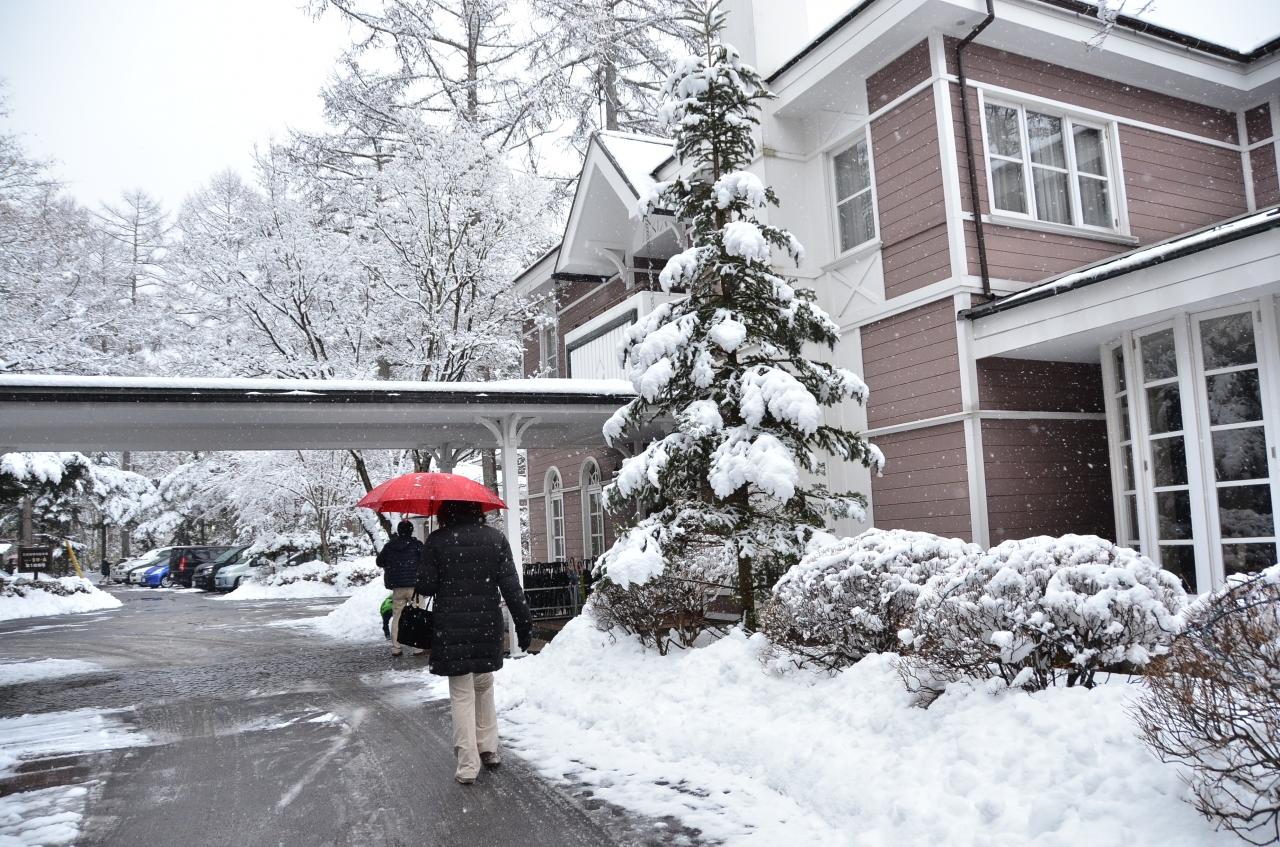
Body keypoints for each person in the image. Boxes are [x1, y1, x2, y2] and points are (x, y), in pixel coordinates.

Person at [417, 500, 532, 785]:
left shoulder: (437, 541)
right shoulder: (495, 539)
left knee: (462, 695)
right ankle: (488, 748)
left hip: (451, 629)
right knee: (483, 686)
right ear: (477, 510)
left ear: (445, 512)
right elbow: (511, 586)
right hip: (485, 625)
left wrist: (429, 560)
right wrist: (523, 623)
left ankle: (468, 766)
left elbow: (427, 586)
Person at [376, 519, 423, 657]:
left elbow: (379, 561)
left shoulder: (390, 546)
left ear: (398, 530)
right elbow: (426, 561)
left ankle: (396, 647)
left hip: (397, 587)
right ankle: (417, 647)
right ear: (411, 531)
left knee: (397, 616)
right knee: (417, 616)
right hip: (415, 587)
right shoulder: (417, 545)